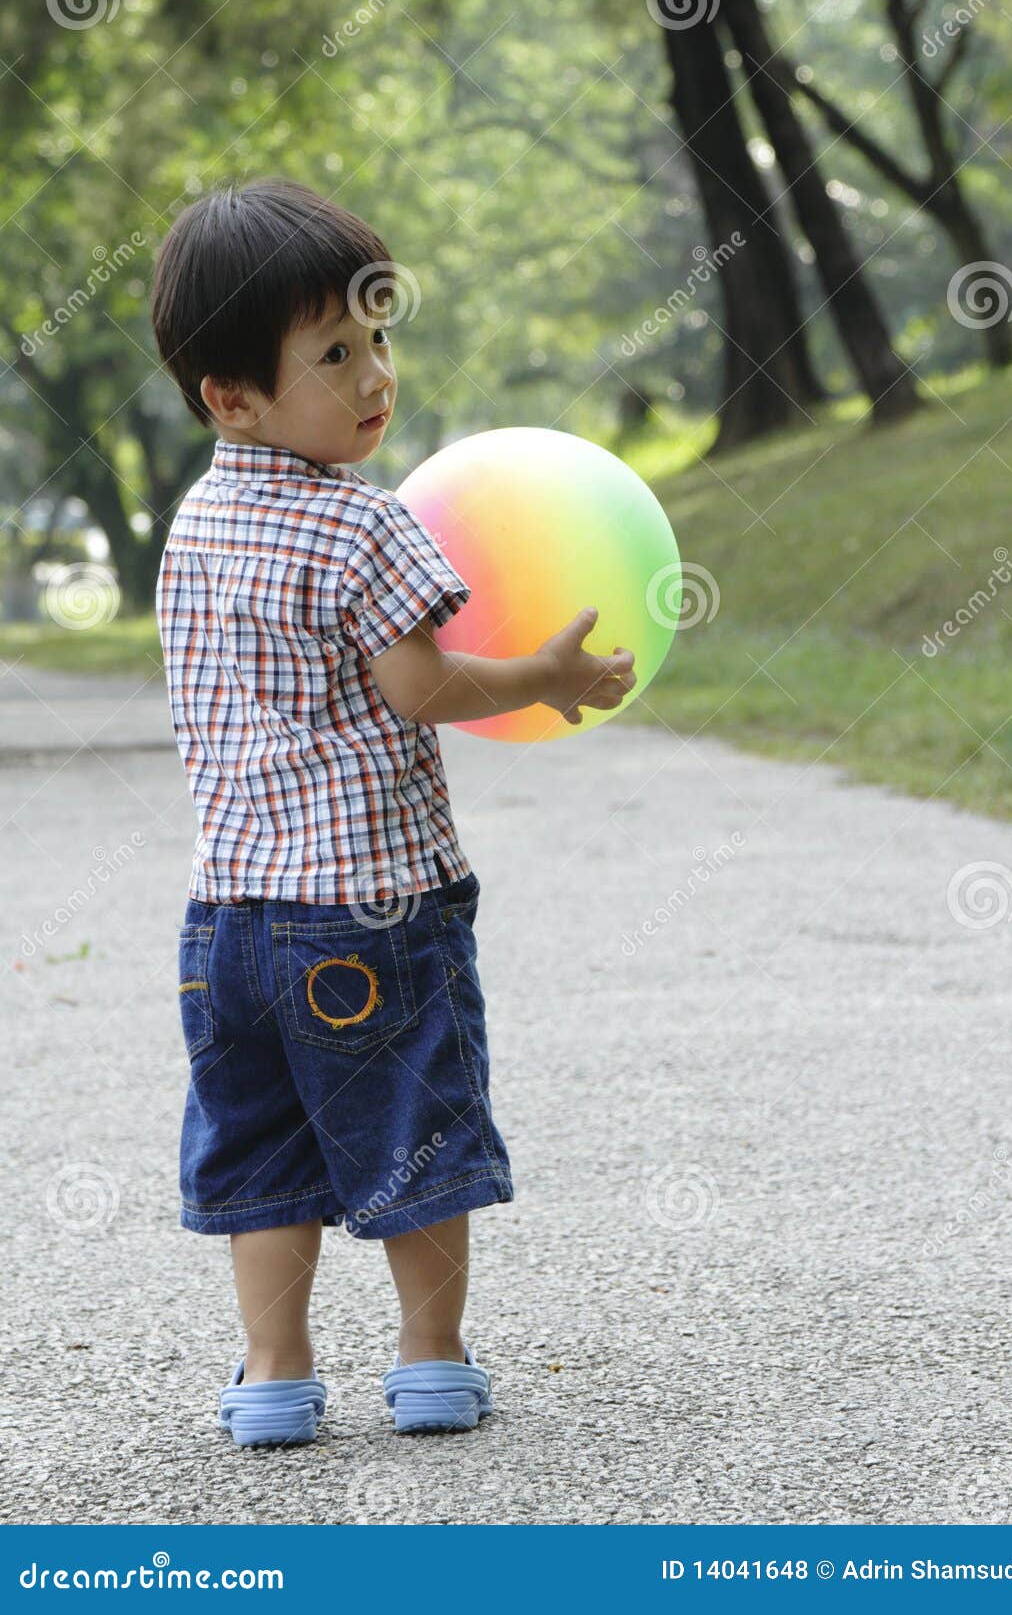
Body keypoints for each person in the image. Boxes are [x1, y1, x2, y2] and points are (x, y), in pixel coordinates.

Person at [151, 177, 636, 1446]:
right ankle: (428, 1357)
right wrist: (545, 674)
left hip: (229, 923)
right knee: (413, 1126)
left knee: (261, 1148)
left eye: (378, 338)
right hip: (371, 907)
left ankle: (271, 1377)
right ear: (232, 395)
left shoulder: (194, 523)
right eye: (333, 354)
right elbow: (418, 686)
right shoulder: (364, 523)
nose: (375, 377)